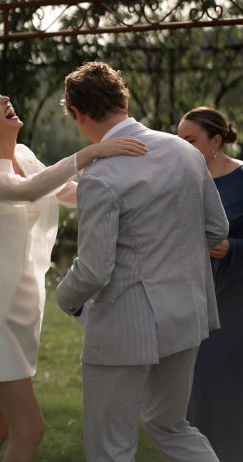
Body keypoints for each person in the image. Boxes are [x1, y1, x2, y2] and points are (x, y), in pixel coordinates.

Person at [0, 84, 148, 462]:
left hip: (23, 307)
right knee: (29, 429)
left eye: (5, 96)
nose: (6, 100)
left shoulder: (24, 154)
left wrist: (129, 192)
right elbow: (24, 191)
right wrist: (92, 151)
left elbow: (65, 192)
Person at [56, 61, 229, 462]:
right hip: (186, 315)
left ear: (78, 115)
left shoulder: (100, 176)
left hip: (124, 327)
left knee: (110, 447)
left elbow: (94, 269)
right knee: (172, 427)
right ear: (123, 98)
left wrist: (66, 298)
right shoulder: (186, 151)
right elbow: (216, 229)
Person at [178, 106, 243, 462]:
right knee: (193, 396)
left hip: (234, 307)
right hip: (190, 305)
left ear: (216, 141)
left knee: (229, 393)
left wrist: (231, 249)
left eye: (190, 140)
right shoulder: (183, 182)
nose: (182, 148)